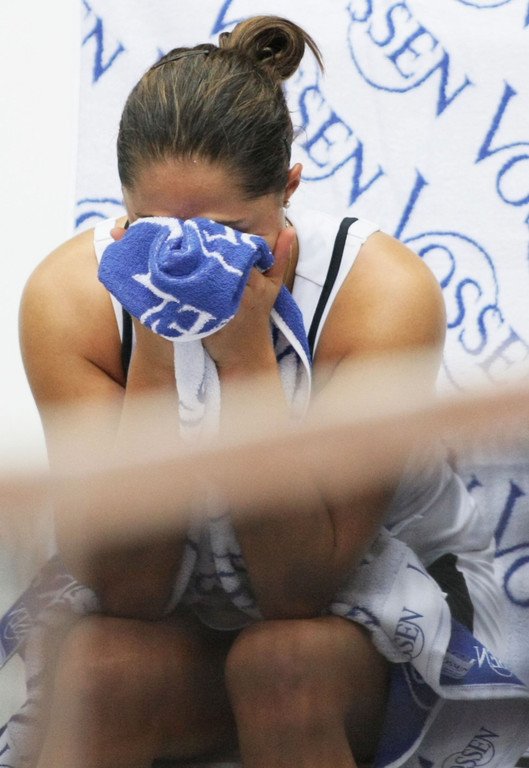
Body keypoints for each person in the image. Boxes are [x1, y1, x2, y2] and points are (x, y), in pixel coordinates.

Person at [18, 15, 506, 768]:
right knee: (98, 671)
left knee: (281, 666)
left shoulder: (380, 295)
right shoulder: (69, 299)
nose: (187, 263)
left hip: (360, 622)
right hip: (170, 620)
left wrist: (248, 360)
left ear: (288, 191)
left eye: (226, 231)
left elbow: (297, 590)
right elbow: (129, 588)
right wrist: (157, 343)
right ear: (121, 209)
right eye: (155, 232)